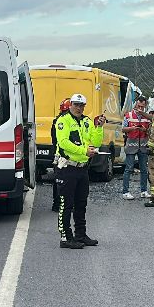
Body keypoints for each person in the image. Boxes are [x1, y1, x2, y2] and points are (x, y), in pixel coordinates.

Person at [54, 93, 105, 249]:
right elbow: (63, 143)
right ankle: (65, 237)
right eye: (76, 105)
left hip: (82, 168)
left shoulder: (86, 122)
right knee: (66, 204)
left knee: (81, 203)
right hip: (67, 167)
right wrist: (84, 151)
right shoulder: (63, 121)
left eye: (81, 105)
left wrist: (98, 127)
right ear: (70, 105)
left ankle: (80, 235)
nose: (78, 108)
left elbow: (95, 142)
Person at [121, 96, 150, 200]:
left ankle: (143, 191)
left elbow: (150, 131)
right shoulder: (128, 115)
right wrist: (131, 128)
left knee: (144, 169)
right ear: (135, 104)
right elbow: (123, 129)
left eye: (142, 106)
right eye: (139, 106)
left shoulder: (147, 117)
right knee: (128, 169)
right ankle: (125, 192)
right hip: (131, 146)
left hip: (143, 146)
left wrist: (145, 130)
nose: (140, 108)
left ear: (145, 105)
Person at [50, 98, 72, 212]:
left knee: (58, 180)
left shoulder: (56, 121)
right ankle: (59, 204)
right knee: (64, 180)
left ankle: (57, 203)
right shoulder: (64, 122)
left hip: (57, 155)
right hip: (63, 155)